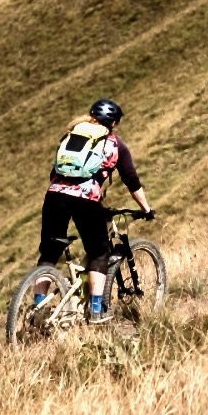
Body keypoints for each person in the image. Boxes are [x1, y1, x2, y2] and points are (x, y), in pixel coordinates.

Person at [35, 97, 153, 324]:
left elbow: (55, 172)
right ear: (114, 123)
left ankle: (38, 305)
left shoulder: (71, 135)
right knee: (99, 254)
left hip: (54, 196)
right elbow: (132, 181)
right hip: (85, 200)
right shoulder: (115, 144)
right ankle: (96, 311)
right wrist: (146, 209)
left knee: (49, 253)